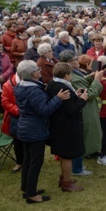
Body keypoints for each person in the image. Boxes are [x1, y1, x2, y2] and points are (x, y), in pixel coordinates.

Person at [14, 60, 69, 203]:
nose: (40, 70)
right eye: (38, 69)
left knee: (27, 161)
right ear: (33, 74)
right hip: (34, 130)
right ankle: (31, 194)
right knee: (35, 162)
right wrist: (58, 99)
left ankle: (26, 188)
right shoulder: (33, 91)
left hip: (25, 127)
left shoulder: (21, 85)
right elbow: (44, 111)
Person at [46, 63, 88, 192]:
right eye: (70, 73)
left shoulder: (53, 83)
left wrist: (75, 94)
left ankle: (64, 177)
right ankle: (66, 183)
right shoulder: (63, 88)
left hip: (58, 125)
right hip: (67, 127)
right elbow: (71, 110)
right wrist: (82, 100)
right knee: (68, 155)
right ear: (66, 75)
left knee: (64, 155)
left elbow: (65, 104)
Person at [68, 53, 103, 176]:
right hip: (83, 111)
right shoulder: (73, 77)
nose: (77, 60)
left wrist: (90, 77)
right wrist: (96, 80)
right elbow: (89, 93)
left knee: (84, 137)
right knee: (82, 138)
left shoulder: (75, 73)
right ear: (68, 63)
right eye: (74, 59)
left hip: (85, 110)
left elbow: (83, 83)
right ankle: (77, 168)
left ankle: (78, 165)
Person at [0, 70, 24, 174]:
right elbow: (5, 102)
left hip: (29, 116)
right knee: (18, 141)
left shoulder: (33, 82)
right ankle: (20, 162)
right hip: (16, 117)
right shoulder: (8, 85)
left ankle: (30, 162)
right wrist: (19, 110)